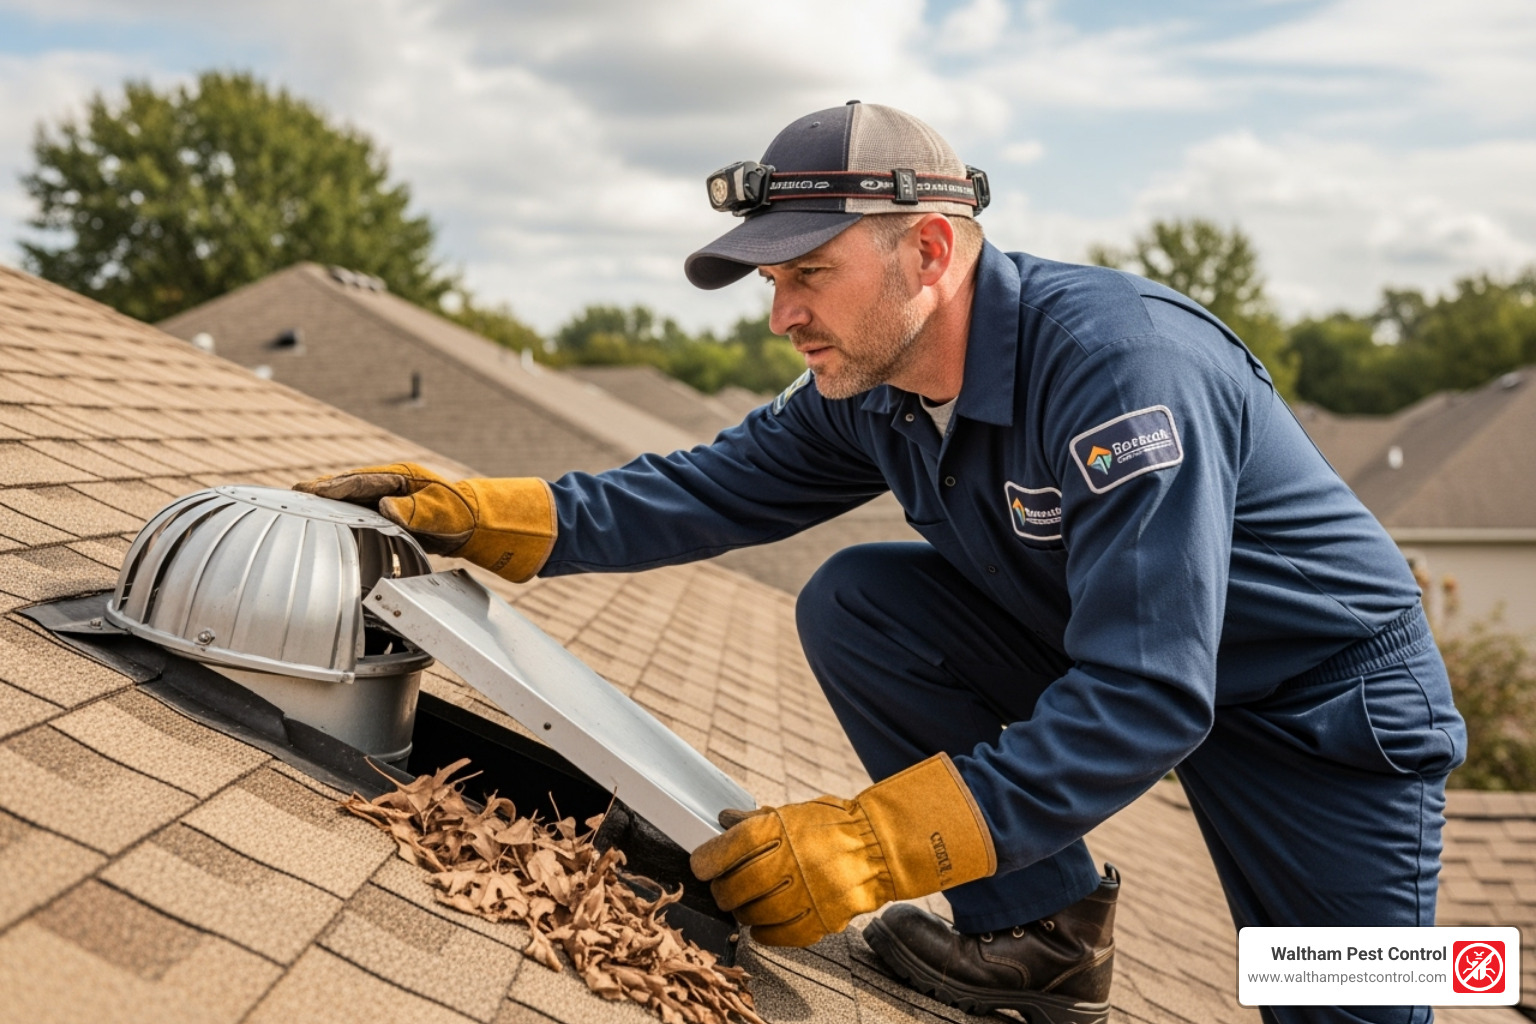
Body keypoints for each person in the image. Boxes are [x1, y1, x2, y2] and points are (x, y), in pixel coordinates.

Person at [298, 102, 1465, 1024]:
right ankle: (1041, 939)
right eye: (771, 281)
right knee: (866, 601)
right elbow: (708, 488)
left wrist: (873, 843)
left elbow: (1148, 694)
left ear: (931, 248)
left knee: (1342, 999)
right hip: (1133, 657)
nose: (781, 315)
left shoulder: (1122, 371)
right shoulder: (875, 386)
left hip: (1321, 713)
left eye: (809, 273)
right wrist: (490, 513)